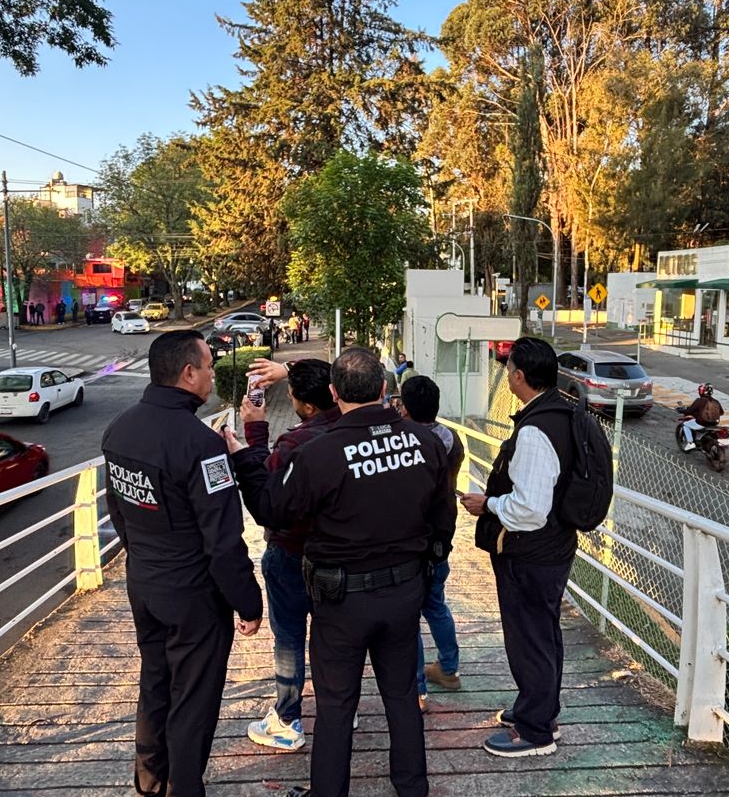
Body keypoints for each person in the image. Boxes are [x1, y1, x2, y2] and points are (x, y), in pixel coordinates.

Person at [236, 348, 454, 797]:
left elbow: (272, 511)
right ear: (383, 389)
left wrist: (246, 455)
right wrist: (426, 570)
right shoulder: (427, 441)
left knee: (336, 706)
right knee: (400, 699)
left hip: (341, 601)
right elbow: (443, 521)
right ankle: (412, 788)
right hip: (403, 592)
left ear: (335, 393)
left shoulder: (320, 453)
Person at [102, 330, 264, 797]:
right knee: (193, 699)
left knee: (155, 682)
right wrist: (248, 603)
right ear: (189, 373)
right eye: (209, 365)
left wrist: (143, 560)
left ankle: (150, 781)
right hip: (192, 593)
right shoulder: (201, 446)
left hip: (144, 581)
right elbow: (222, 540)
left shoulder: (120, 428)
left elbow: (119, 513)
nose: (213, 373)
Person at [459, 336, 576, 758]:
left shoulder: (535, 431)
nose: (506, 375)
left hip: (531, 552)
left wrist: (485, 503)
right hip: (555, 547)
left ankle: (535, 733)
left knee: (530, 639)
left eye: (508, 370)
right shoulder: (563, 412)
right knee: (543, 635)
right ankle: (539, 710)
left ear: (520, 376)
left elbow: (530, 509)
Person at [228, 359, 342, 751]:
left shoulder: (294, 443)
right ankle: (338, 707)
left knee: (290, 638)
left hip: (291, 552)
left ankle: (288, 719)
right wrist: (288, 370)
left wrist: (254, 433)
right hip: (339, 554)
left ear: (306, 407)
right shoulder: (351, 429)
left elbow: (268, 496)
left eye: (291, 395)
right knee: (332, 635)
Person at [397, 376, 464, 705]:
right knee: (435, 605)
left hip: (410, 542)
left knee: (409, 615)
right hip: (442, 537)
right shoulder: (452, 439)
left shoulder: (405, 443)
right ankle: (449, 669)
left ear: (405, 407)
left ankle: (418, 689)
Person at [680, 383, 724, 451]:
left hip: (702, 423)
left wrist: (681, 411)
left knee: (685, 425)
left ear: (701, 391)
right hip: (714, 424)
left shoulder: (700, 400)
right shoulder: (716, 401)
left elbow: (690, 410)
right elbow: (722, 412)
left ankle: (691, 443)